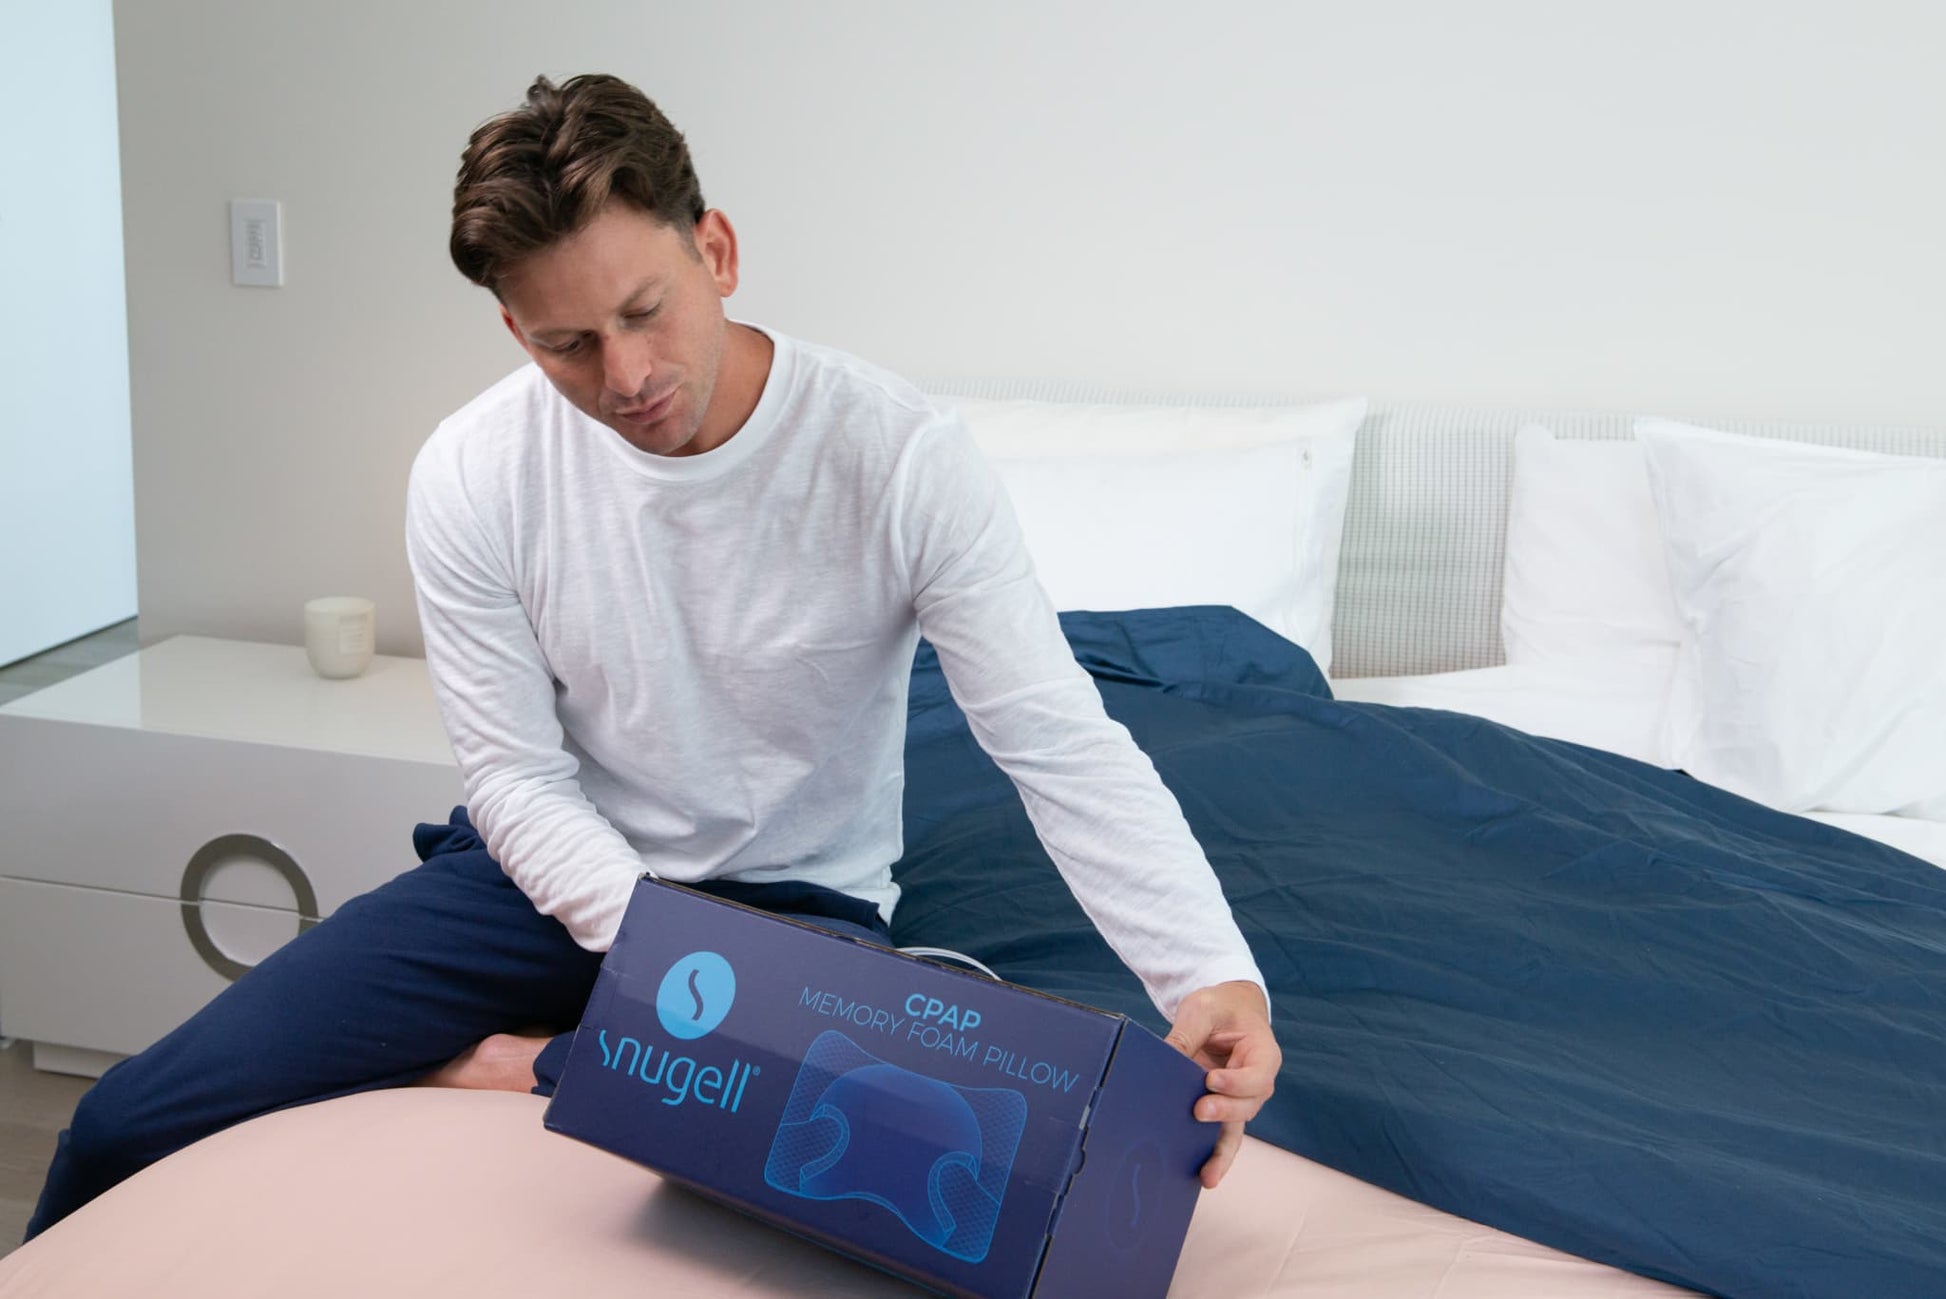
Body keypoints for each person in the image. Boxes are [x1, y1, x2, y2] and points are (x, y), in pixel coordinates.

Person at [26, 72, 1276, 1242]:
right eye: (568, 344)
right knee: (124, 1118)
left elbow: (1051, 740)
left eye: (643, 313)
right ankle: (564, 1055)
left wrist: (1209, 971)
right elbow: (514, 777)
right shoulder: (473, 471)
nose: (623, 377)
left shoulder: (897, 458)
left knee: (922, 1171)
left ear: (714, 251)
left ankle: (513, 1062)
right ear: (516, 329)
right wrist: (666, 961)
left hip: (798, 902)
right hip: (534, 884)